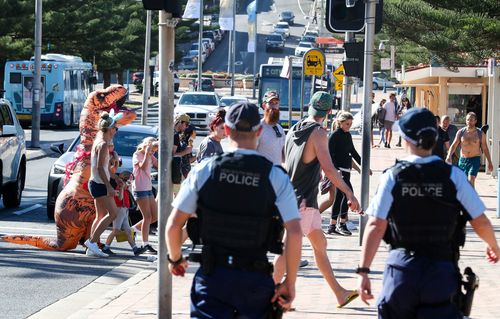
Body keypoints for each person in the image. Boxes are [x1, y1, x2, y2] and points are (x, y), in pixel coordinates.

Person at [356, 107, 499, 318]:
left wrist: (363, 272)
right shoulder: (453, 176)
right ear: (435, 138)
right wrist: (493, 246)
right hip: (440, 273)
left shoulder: (393, 176)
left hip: (401, 272)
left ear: (405, 139)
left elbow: (376, 226)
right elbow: (481, 222)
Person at [166, 102, 302, 318]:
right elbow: (294, 232)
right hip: (255, 281)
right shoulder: (275, 175)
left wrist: (175, 259)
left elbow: (174, 225)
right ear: (259, 131)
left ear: (227, 130)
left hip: (213, 278)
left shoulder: (205, 170)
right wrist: (289, 282)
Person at [275, 91, 361, 308]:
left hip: (296, 198)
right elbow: (330, 169)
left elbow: (288, 161)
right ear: (329, 111)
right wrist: (349, 193)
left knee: (319, 245)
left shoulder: (294, 129)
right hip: (302, 201)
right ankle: (265, 295)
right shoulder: (319, 133)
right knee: (288, 252)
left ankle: (340, 293)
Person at [85, 111, 122, 257]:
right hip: (100, 184)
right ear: (110, 128)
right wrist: (109, 186)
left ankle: (91, 248)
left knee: (100, 216)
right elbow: (100, 168)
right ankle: (92, 242)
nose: (116, 131)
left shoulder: (100, 141)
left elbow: (104, 167)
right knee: (113, 213)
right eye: (115, 128)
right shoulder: (103, 144)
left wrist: (115, 177)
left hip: (96, 182)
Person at [324, 111, 362, 236]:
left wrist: (364, 165)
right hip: (338, 172)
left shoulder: (347, 135)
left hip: (346, 171)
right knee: (348, 195)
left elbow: (353, 152)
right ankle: (342, 224)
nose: (349, 126)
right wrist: (336, 170)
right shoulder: (334, 135)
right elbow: (329, 154)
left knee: (340, 197)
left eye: (350, 124)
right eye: (347, 124)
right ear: (340, 123)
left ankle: (332, 226)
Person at [102, 170, 145, 256]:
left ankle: (135, 249)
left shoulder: (124, 188)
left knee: (128, 231)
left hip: (124, 210)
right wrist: (122, 188)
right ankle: (106, 247)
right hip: (119, 210)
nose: (130, 183)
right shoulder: (120, 187)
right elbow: (120, 198)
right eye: (129, 181)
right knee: (116, 230)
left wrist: (125, 188)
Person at [446, 112, 493, 187]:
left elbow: (485, 148)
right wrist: (449, 156)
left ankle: (471, 197)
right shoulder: (460, 132)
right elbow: (454, 145)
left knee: (471, 178)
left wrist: (489, 162)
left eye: (471, 120)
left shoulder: (480, 133)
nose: (469, 122)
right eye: (468, 120)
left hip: (475, 159)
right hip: (463, 160)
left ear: (475, 121)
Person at [131, 137, 159, 255]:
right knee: (147, 217)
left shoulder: (151, 155)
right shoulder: (137, 154)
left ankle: (133, 229)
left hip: (148, 187)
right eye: (152, 149)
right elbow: (142, 167)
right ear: (146, 145)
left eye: (154, 151)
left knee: (155, 216)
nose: (153, 152)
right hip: (139, 188)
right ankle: (145, 244)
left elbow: (158, 165)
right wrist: (147, 153)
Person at [256, 90, 286, 165]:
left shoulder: (279, 128)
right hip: (262, 174)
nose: (274, 106)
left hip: (276, 174)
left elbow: (283, 156)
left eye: (276, 103)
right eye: (271, 103)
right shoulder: (258, 128)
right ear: (264, 105)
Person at [172, 114, 193, 189]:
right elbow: (172, 155)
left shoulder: (171, 132)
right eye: (186, 124)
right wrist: (186, 151)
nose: (186, 127)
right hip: (173, 171)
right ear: (180, 122)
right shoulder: (175, 135)